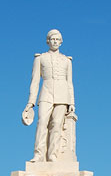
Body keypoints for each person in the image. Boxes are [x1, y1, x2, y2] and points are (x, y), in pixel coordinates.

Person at [22, 29, 75, 162]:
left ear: (61, 42)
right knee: (42, 123)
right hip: (46, 93)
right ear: (48, 41)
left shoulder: (67, 61)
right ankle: (39, 154)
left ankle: (53, 155)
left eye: (57, 40)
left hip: (62, 95)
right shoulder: (41, 58)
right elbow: (34, 81)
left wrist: (72, 102)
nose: (55, 42)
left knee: (57, 124)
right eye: (53, 39)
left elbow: (70, 83)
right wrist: (30, 103)